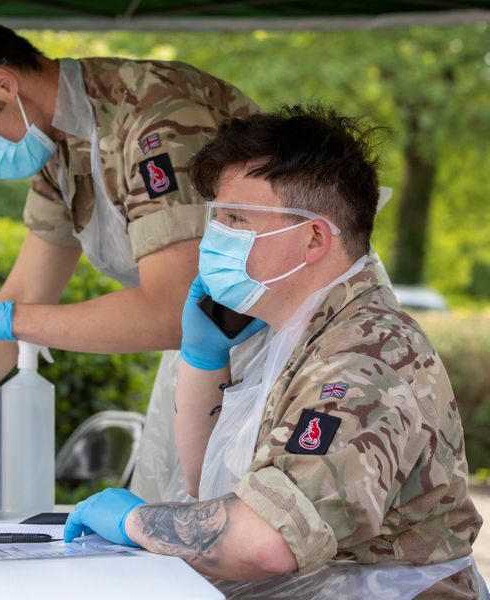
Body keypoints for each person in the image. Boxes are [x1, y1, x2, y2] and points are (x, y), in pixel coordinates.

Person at [64, 105, 485, 598]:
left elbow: (268, 539)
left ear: (312, 239)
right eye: (217, 218)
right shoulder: (296, 331)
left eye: (237, 219)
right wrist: (203, 361)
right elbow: (211, 485)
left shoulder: (362, 359)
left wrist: (134, 519)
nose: (215, 237)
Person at [0, 14, 262, 502]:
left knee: (245, 541)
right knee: (174, 529)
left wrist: (5, 319)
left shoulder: (153, 120)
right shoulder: (57, 148)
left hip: (280, 347)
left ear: (2, 85)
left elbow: (175, 312)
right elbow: (24, 295)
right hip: (208, 355)